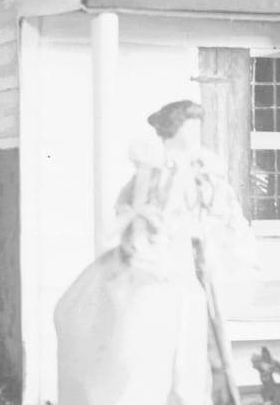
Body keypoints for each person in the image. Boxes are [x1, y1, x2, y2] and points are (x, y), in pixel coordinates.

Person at [54, 101, 254, 405]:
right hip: (152, 269)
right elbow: (132, 212)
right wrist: (147, 233)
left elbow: (216, 213)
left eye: (198, 127)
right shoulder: (155, 171)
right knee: (144, 351)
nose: (196, 134)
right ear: (174, 131)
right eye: (190, 127)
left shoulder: (202, 170)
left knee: (190, 353)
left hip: (187, 270)